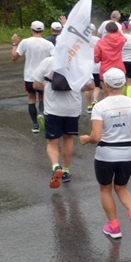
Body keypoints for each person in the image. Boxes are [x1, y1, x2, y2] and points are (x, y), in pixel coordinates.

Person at [79, 68, 131, 239]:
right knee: (122, 187)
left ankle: (114, 227)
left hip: (106, 154)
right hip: (128, 152)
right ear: (124, 83)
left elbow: (96, 136)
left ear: (105, 84)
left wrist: (87, 139)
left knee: (106, 189)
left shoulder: (100, 106)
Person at [32, 55, 95, 188]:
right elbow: (91, 85)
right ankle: (66, 172)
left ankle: (56, 167)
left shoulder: (48, 61)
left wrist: (50, 86)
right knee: (68, 138)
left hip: (53, 109)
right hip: (72, 109)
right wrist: (74, 86)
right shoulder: (79, 62)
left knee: (52, 142)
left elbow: (36, 84)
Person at [11, 20, 55, 133]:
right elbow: (55, 58)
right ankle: (41, 114)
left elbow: (14, 57)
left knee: (31, 98)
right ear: (43, 30)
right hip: (43, 76)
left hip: (29, 76)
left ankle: (35, 125)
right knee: (42, 98)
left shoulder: (25, 42)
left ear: (31, 29)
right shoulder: (48, 44)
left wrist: (15, 44)